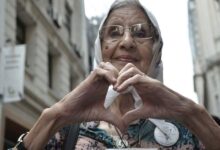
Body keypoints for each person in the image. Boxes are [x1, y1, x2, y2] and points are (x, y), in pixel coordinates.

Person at [11, 0, 220, 149]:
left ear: (156, 51)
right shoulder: (68, 127)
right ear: (99, 48)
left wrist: (193, 114)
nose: (127, 42)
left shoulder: (191, 127)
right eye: (114, 32)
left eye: (140, 33)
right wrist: (54, 116)